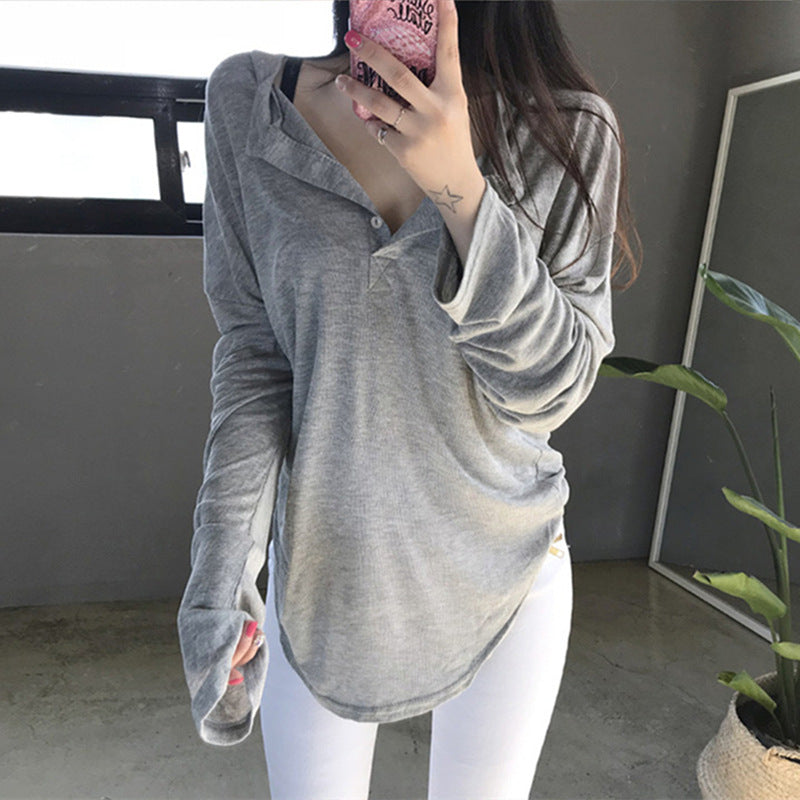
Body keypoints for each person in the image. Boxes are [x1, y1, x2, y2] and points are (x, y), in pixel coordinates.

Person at [177, 1, 641, 798]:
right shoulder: (249, 102)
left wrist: (460, 189)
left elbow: (554, 391)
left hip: (506, 568)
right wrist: (221, 569)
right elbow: (256, 359)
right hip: (324, 574)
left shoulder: (568, 129)